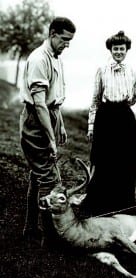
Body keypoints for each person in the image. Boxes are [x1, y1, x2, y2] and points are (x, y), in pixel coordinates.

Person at [19, 17, 76, 242]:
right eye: (64, 39)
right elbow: (40, 103)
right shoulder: (39, 59)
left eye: (70, 41)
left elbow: (54, 101)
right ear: (52, 34)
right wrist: (50, 138)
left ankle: (31, 229)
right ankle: (51, 238)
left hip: (48, 115)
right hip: (36, 121)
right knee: (50, 180)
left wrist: (59, 123)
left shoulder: (56, 57)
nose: (67, 45)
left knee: (38, 176)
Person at [84, 31, 136, 216]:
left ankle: (122, 204)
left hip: (124, 117)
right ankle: (100, 204)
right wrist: (91, 126)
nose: (118, 52)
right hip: (105, 116)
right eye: (115, 49)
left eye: (122, 49)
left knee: (124, 161)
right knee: (103, 160)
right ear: (110, 49)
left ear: (127, 50)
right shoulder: (102, 69)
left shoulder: (132, 71)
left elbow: (132, 100)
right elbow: (95, 99)